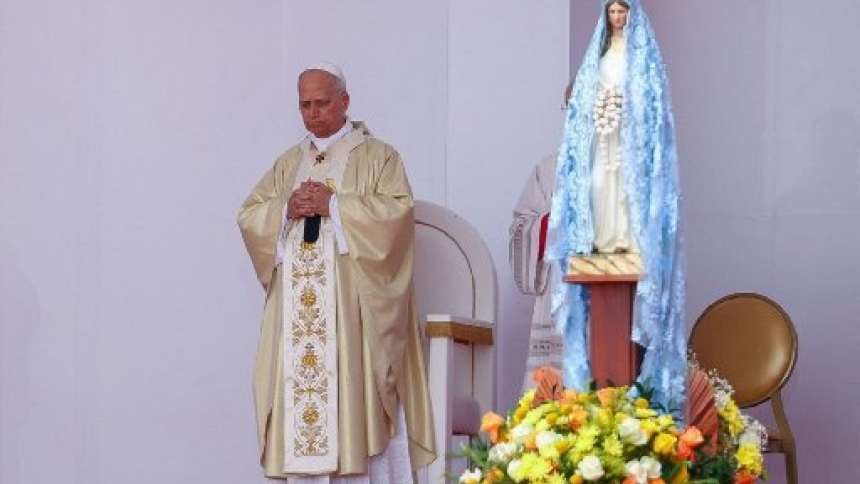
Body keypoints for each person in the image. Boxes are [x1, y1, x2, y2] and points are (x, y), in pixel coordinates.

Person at [238, 63, 435, 483]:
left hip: (353, 317)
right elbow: (250, 214)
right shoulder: (288, 164)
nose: (313, 113)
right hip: (297, 315)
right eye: (305, 105)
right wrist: (284, 210)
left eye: (322, 102)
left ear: (345, 101)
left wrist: (336, 206)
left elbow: (398, 214)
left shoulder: (379, 156)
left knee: (351, 400)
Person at [546, 0, 687, 410]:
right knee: (599, 186)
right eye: (612, 12)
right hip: (601, 143)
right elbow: (582, 114)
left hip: (630, 151)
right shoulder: (599, 57)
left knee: (624, 192)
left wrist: (629, 122)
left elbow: (654, 115)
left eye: (623, 12)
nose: (617, 18)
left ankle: (625, 238)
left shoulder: (644, 60)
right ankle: (604, 239)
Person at [509, 84, 572, 393]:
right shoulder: (550, 168)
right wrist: (552, 221)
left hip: (613, 294)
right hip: (559, 291)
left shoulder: (635, 164)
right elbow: (522, 225)